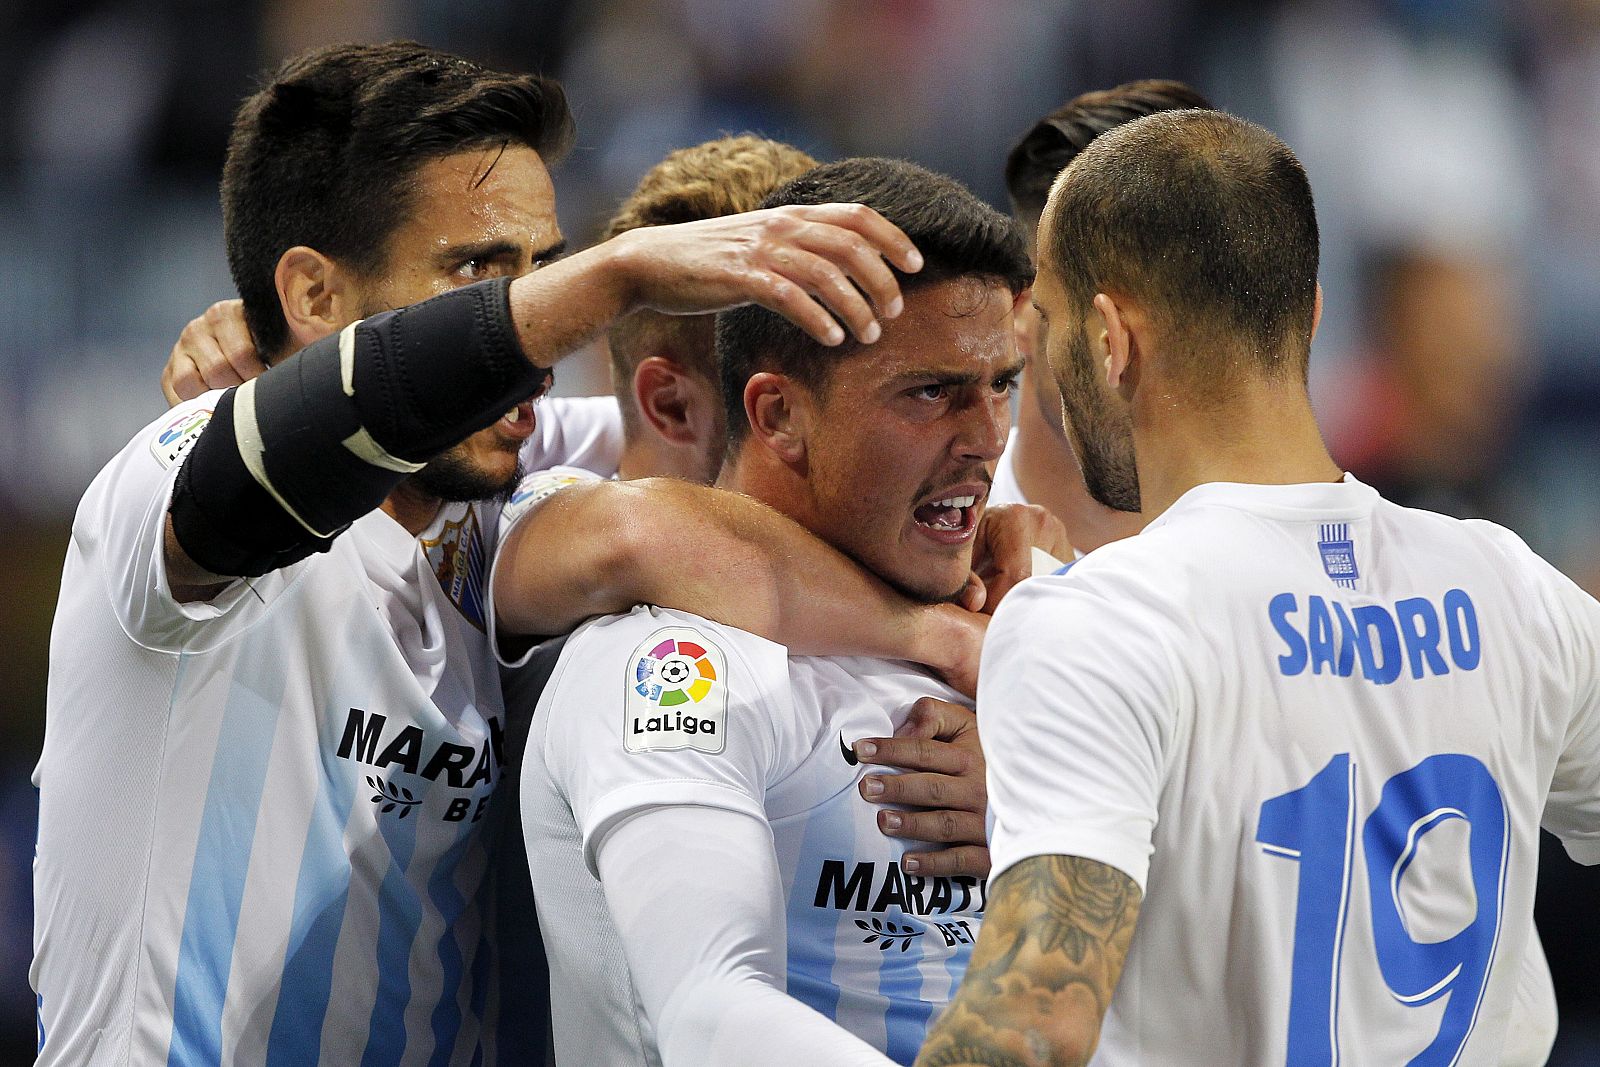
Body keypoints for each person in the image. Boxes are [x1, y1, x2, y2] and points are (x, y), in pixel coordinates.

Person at [32, 40, 973, 1066]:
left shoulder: (486, 500)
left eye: (544, 267)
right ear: (313, 295)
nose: (542, 338)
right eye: (478, 271)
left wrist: (987, 600)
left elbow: (720, 488)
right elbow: (604, 516)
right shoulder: (171, 475)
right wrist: (614, 276)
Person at [918, 109, 1600, 1066]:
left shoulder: (1100, 621)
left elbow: (1030, 1029)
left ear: (1110, 340)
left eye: (1052, 329)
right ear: (1309, 315)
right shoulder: (1514, 587)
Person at [518, 156, 1037, 1066]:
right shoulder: (670, 661)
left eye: (1002, 384)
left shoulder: (1019, 608)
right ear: (777, 414)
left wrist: (1053, 796)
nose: (991, 439)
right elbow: (708, 1013)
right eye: (931, 392)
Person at [995, 80, 1208, 553]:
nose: (1134, 347)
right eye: (1107, 316)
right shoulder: (920, 555)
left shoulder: (1287, 562)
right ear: (1019, 310)